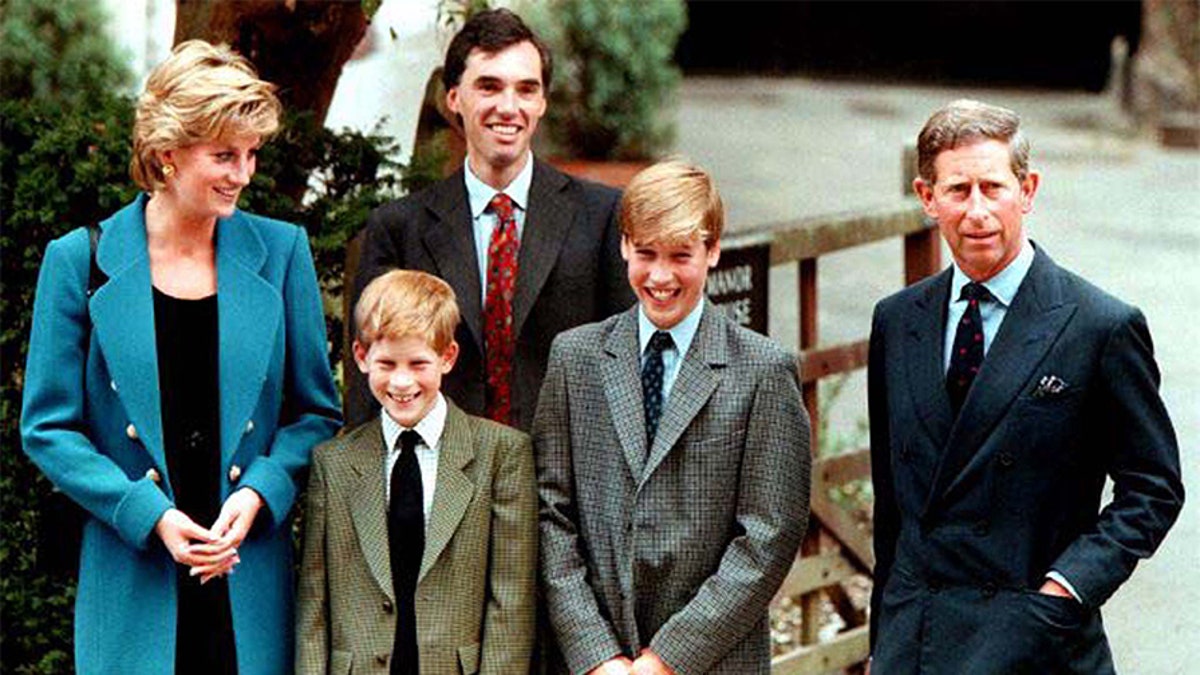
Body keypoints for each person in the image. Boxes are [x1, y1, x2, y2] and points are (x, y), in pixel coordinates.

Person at [20, 40, 341, 674]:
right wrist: (149, 513)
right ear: (167, 153)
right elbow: (48, 427)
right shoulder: (77, 259)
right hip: (133, 573)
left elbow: (315, 413)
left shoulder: (280, 252)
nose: (243, 174)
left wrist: (258, 495)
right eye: (224, 155)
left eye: (251, 154)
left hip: (249, 580)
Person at [867, 99, 1184, 674]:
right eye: (959, 191)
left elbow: (1153, 487)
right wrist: (883, 638)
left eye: (994, 188)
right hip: (916, 641)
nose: (978, 211)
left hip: (1034, 644)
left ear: (1028, 190)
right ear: (926, 198)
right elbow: (893, 510)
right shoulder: (897, 320)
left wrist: (1067, 588)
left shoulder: (1098, 325)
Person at [535, 160, 812, 674]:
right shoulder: (576, 358)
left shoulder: (764, 371)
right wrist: (598, 656)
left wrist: (666, 660)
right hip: (599, 660)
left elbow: (769, 535)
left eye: (681, 256)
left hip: (712, 659)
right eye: (646, 254)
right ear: (623, 247)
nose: (660, 277)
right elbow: (551, 511)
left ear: (712, 252)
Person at [351, 8, 634, 431]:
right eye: (489, 87)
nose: (508, 107)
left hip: (562, 480)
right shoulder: (399, 228)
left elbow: (625, 368)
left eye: (526, 90)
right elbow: (368, 389)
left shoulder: (602, 216)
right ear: (453, 98)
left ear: (541, 102)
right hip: (441, 482)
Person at [296, 269, 537, 674]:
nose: (402, 381)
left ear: (447, 357)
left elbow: (511, 602)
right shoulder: (333, 464)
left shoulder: (502, 454)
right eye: (386, 363)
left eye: (418, 363)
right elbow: (314, 606)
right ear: (360, 356)